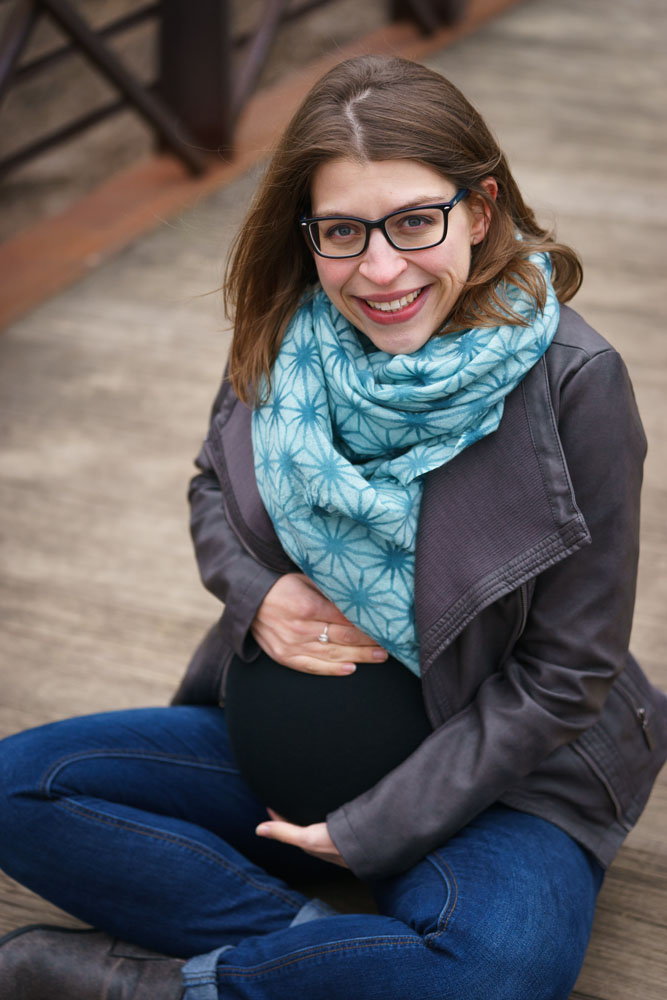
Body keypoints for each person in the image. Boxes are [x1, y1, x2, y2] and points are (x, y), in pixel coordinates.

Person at [0, 54, 665, 1000]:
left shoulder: (573, 381)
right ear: (307, 235)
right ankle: (330, 953)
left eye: (413, 221)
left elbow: (566, 674)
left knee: (499, 972)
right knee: (17, 788)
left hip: (500, 790)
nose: (381, 268)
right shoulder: (287, 333)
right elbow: (209, 489)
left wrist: (372, 832)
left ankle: (173, 987)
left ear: (477, 211)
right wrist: (258, 592)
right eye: (343, 231)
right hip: (271, 770)